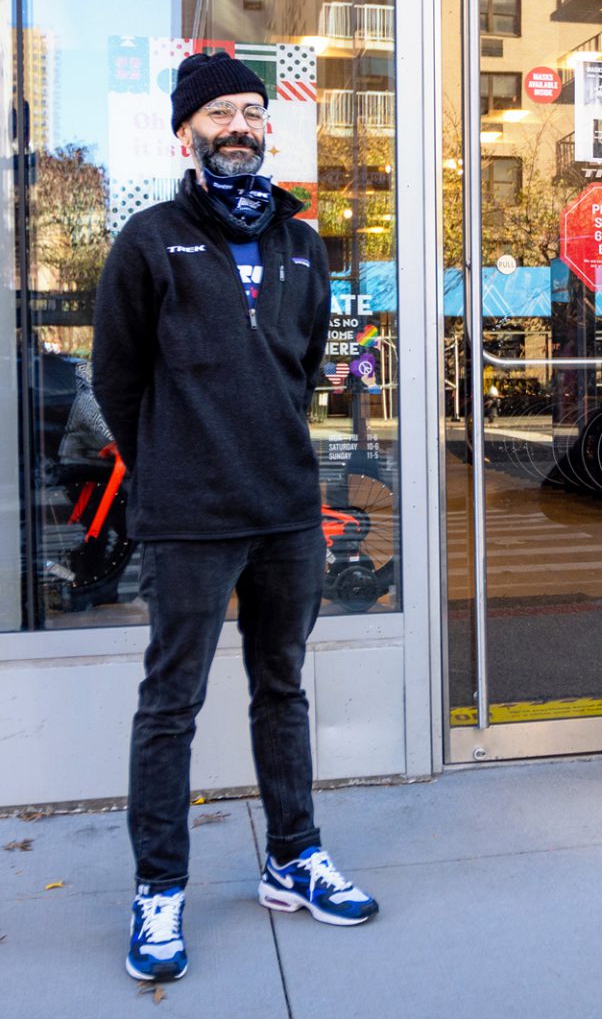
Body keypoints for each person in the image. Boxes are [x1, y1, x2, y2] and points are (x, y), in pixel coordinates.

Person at [93, 51, 378, 983]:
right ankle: (159, 891)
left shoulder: (302, 242)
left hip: (286, 507)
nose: (242, 126)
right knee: (169, 705)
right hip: (188, 513)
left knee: (283, 688)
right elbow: (119, 378)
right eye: (221, 112)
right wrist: (170, 461)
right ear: (187, 131)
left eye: (254, 111)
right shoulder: (149, 240)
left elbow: (298, 368)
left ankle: (292, 858)